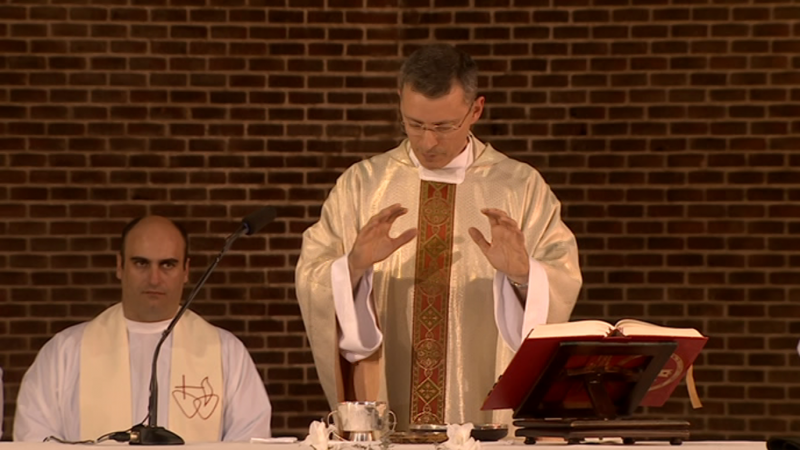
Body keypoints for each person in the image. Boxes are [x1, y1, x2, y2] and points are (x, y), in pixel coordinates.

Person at [296, 43, 582, 429]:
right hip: (390, 413)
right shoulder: (361, 187)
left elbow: (561, 279)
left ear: (476, 110)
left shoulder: (520, 188)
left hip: (483, 414)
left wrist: (524, 275)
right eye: (414, 124)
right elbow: (312, 276)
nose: (428, 142)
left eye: (444, 127)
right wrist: (353, 266)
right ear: (400, 102)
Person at [14, 216, 271, 442]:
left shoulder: (226, 352)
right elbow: (35, 438)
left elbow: (249, 439)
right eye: (141, 263)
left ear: (186, 270)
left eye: (167, 264)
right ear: (119, 266)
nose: (154, 278)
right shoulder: (65, 352)